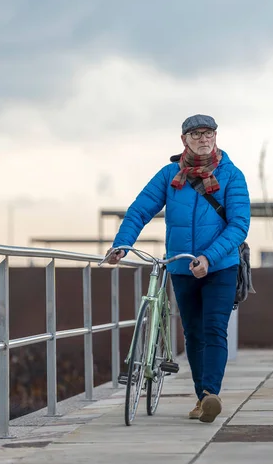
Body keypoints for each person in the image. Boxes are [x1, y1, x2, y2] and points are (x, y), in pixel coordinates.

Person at [107, 114, 250, 423]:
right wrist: (122, 243)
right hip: (183, 269)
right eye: (195, 134)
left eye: (208, 133)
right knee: (194, 334)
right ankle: (203, 400)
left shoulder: (231, 175)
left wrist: (209, 258)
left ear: (215, 136)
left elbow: (239, 225)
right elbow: (140, 210)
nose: (203, 138)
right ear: (183, 139)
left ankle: (210, 392)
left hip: (221, 266)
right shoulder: (169, 175)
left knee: (213, 329)